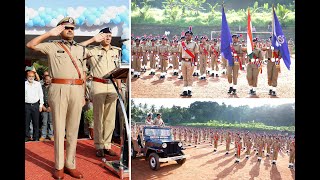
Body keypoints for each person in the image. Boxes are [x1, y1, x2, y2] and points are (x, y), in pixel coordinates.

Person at [26, 17, 87, 179]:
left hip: (77, 89)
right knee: (59, 129)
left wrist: (84, 94)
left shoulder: (81, 49)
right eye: (66, 27)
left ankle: (70, 164)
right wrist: (50, 33)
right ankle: (59, 166)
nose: (69, 30)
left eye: (72, 28)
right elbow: (30, 45)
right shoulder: (52, 46)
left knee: (73, 130)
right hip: (58, 88)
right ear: (60, 29)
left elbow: (84, 72)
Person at [80, 27, 122, 158]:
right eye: (105, 35)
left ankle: (107, 145)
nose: (108, 38)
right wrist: (92, 39)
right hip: (98, 84)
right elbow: (77, 49)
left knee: (110, 118)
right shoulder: (93, 50)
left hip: (113, 85)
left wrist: (119, 86)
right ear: (100, 36)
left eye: (110, 35)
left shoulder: (117, 51)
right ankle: (99, 145)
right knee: (98, 117)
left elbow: (118, 69)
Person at [179, 27, 199, 96]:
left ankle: (189, 90)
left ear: (191, 36)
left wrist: (196, 62)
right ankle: (185, 90)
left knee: (189, 76)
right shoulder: (182, 44)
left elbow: (196, 53)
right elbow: (180, 53)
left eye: (189, 35)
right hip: (183, 61)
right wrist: (180, 61)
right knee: (184, 76)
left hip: (191, 62)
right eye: (186, 35)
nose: (187, 36)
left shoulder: (194, 44)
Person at [25, 70, 44, 142]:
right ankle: (27, 137)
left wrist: (41, 105)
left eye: (32, 76)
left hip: (36, 105)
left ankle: (36, 137)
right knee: (26, 122)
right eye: (29, 76)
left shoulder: (37, 84)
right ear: (27, 76)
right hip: (26, 105)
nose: (31, 77)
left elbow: (41, 95)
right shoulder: (25, 84)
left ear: (34, 77)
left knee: (36, 122)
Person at [39, 75, 54, 141]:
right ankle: (43, 135)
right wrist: (42, 106)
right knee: (44, 122)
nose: (47, 81)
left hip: (51, 107)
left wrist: (51, 106)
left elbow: (55, 98)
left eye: (49, 79)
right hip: (44, 107)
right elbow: (38, 97)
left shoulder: (53, 88)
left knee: (51, 122)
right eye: (46, 79)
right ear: (44, 80)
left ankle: (51, 135)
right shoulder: (41, 88)